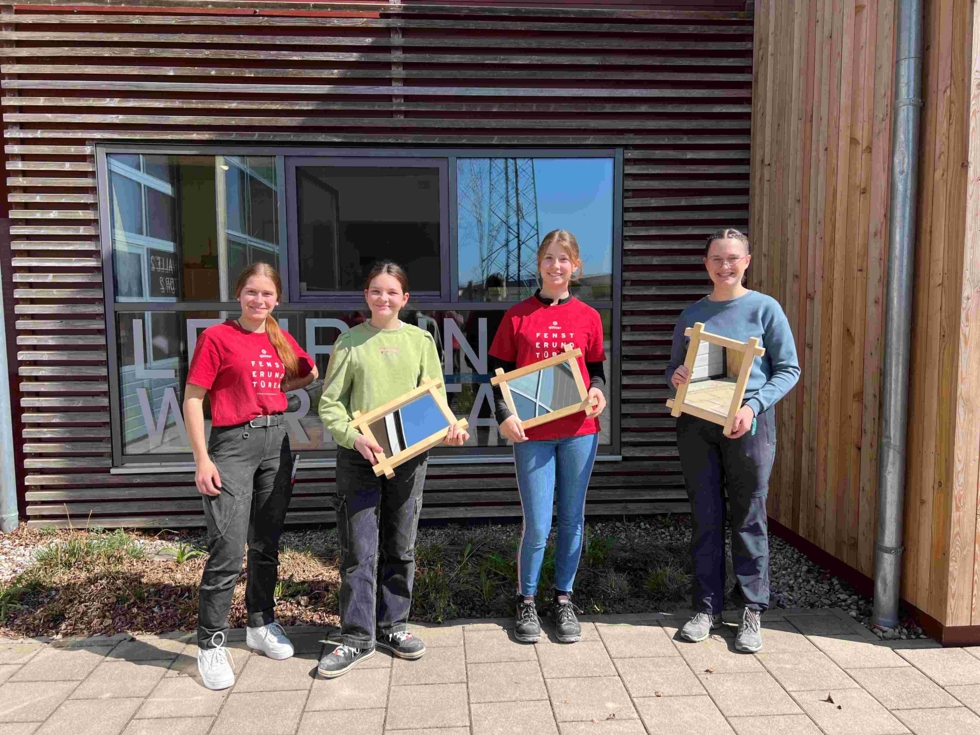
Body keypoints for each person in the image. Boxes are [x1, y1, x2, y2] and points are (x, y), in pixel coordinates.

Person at [317, 261, 469, 678]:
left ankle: (393, 627)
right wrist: (354, 438)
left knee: (401, 547)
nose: (383, 298)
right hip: (359, 457)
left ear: (405, 298)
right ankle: (356, 638)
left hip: (408, 460)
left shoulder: (421, 341)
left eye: (391, 292)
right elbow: (330, 405)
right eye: (375, 291)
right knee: (358, 551)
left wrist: (449, 428)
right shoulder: (349, 343)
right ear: (366, 296)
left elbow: (435, 400)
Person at [183, 262, 317, 690]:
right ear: (238, 293)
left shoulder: (278, 335)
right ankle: (211, 643)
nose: (259, 300)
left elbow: (309, 373)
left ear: (277, 299)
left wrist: (275, 393)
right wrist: (202, 458)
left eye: (267, 294)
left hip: (275, 441)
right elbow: (192, 398)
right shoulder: (217, 337)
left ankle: (260, 623)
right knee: (226, 547)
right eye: (251, 292)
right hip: (232, 446)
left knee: (266, 543)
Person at [666, 228, 800, 653]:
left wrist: (752, 406)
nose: (725, 266)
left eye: (733, 258)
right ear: (705, 263)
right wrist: (678, 377)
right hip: (696, 425)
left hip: (748, 427)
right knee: (705, 516)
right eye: (717, 258)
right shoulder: (691, 314)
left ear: (747, 261)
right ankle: (706, 608)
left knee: (748, 517)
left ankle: (751, 610)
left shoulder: (765, 309)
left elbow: (789, 369)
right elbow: (675, 369)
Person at [488, 230, 607, 644]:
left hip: (579, 432)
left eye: (565, 259)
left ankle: (563, 598)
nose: (557, 266)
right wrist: (503, 415)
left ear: (576, 266)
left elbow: (597, 372)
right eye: (549, 258)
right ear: (539, 263)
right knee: (538, 523)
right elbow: (497, 377)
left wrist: (598, 392)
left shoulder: (589, 317)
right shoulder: (517, 316)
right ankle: (526, 600)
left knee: (572, 519)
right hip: (533, 435)